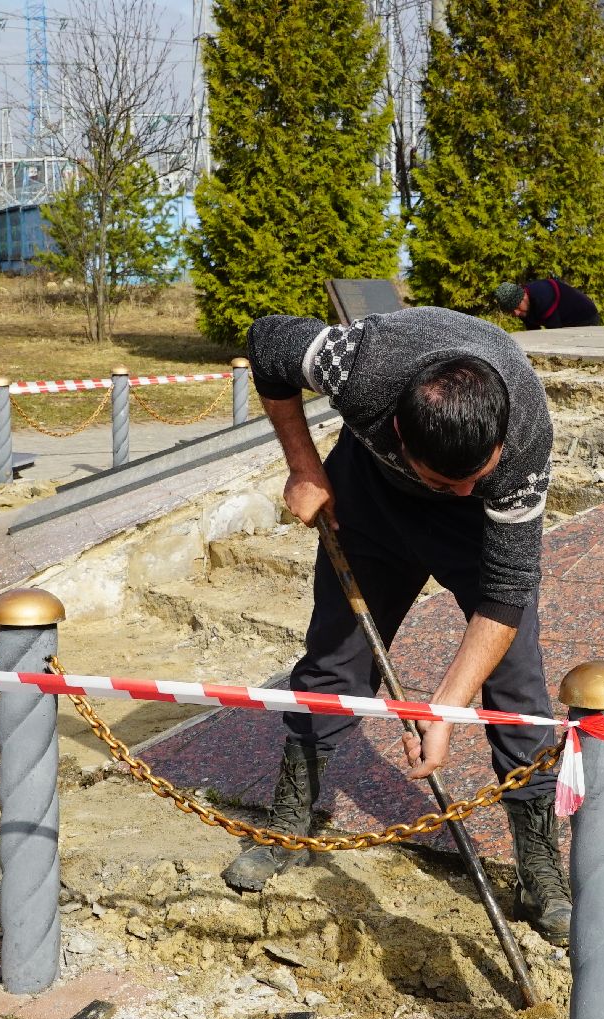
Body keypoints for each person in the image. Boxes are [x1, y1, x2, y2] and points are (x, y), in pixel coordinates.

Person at [221, 306, 570, 942]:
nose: (461, 489)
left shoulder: (521, 447)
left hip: (480, 536)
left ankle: (540, 871)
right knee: (333, 660)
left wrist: (441, 709)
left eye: (476, 475)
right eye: (448, 480)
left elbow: (507, 597)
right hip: (372, 502)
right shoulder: (360, 363)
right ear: (400, 434)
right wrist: (305, 466)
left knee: (519, 690)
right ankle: (291, 822)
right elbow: (268, 344)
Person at [494, 278, 599, 331]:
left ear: (524, 296)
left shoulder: (542, 297)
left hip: (586, 317)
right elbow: (533, 333)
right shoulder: (523, 308)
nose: (516, 313)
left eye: (516, 307)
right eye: (511, 311)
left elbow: (555, 334)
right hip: (565, 321)